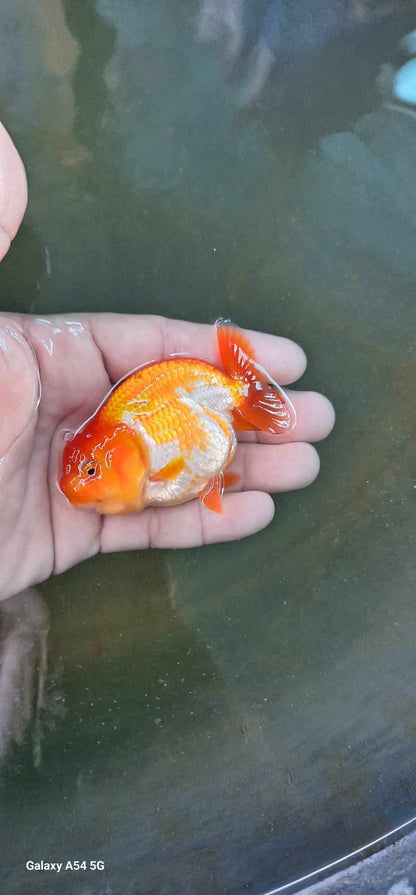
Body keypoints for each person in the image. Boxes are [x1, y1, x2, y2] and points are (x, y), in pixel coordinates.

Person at [0, 122, 335, 603]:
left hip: (203, 400)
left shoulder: (147, 447)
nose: (83, 486)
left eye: (92, 473)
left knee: (235, 430)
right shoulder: (127, 460)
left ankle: (245, 393)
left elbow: (192, 453)